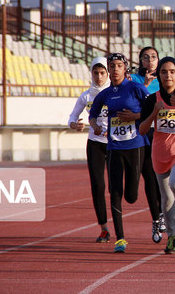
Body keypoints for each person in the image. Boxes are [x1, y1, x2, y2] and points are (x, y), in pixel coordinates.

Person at [88, 53, 149, 253]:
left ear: (125, 69)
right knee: (115, 192)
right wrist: (95, 126)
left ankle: (131, 196)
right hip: (114, 147)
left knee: (131, 196)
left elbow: (152, 111)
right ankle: (120, 238)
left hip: (135, 145)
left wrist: (136, 116)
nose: (114, 70)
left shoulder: (136, 88)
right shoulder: (104, 94)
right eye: (112, 66)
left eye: (118, 66)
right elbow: (92, 115)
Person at [139, 57, 175, 254]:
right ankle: (172, 236)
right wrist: (154, 113)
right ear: (158, 75)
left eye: (172, 71)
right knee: (167, 199)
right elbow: (142, 130)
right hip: (159, 154)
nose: (168, 75)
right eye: (163, 72)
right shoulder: (152, 99)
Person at [68, 56, 111, 242]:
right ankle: (104, 228)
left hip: (116, 144)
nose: (99, 77)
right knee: (98, 186)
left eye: (102, 73)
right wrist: (74, 125)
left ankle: (119, 227)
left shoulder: (114, 92)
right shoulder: (86, 96)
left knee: (119, 188)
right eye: (96, 73)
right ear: (91, 74)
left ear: (108, 74)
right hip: (95, 144)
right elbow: (71, 117)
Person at [130, 46, 165, 243]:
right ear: (140, 60)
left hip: (163, 132)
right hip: (142, 133)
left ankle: (167, 214)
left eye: (153, 56)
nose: (150, 60)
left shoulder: (166, 78)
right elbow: (133, 106)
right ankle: (156, 217)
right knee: (149, 177)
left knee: (165, 178)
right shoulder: (134, 80)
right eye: (146, 57)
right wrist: (144, 84)